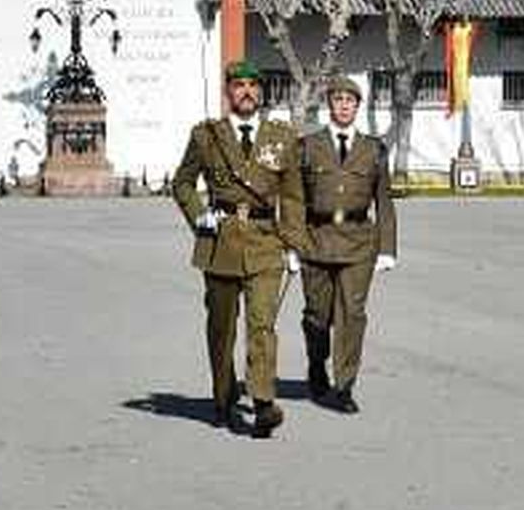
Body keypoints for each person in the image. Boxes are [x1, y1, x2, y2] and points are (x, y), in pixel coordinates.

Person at [171, 60, 309, 438]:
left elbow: (294, 197)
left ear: (260, 93)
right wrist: (200, 216)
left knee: (262, 324)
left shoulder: (282, 137)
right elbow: (182, 184)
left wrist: (295, 245)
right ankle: (223, 398)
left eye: (253, 85)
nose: (246, 92)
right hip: (221, 243)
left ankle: (263, 402)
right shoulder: (207, 136)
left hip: (266, 241)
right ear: (228, 92)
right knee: (221, 329)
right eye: (239, 85)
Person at [298, 74, 398, 414]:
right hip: (316, 241)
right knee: (317, 315)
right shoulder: (308, 147)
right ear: (330, 105)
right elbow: (295, 200)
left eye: (350, 101)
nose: (344, 106)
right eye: (338, 100)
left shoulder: (373, 149)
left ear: (358, 106)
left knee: (352, 315)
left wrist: (387, 248)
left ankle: (344, 386)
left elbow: (384, 201)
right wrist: (291, 246)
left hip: (358, 244)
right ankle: (316, 365)